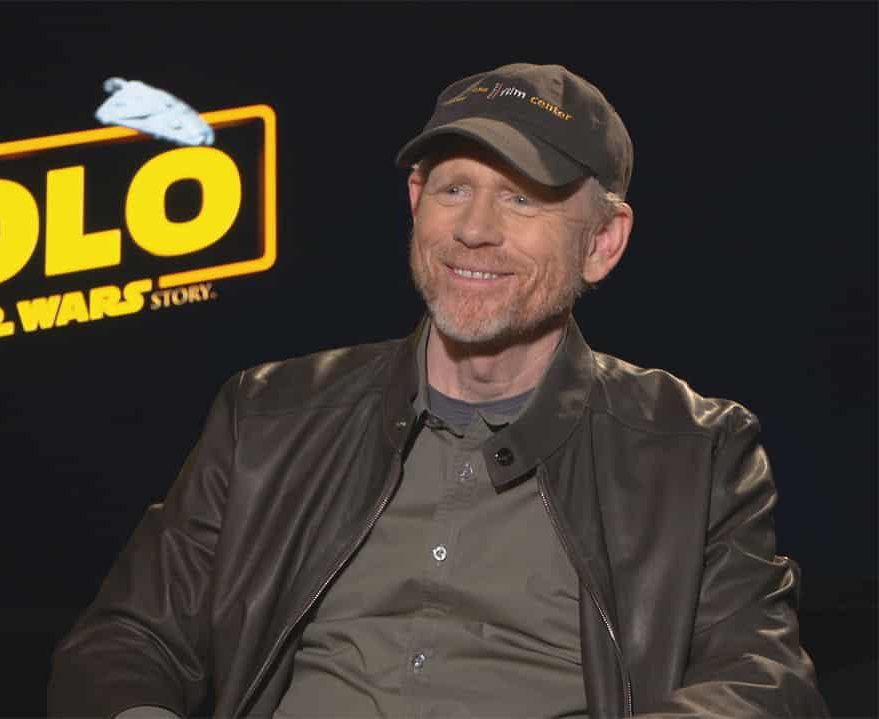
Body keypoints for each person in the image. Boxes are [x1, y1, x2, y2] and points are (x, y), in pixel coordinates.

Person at [47, 63, 828, 718]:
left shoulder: (693, 449)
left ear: (602, 242)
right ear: (415, 201)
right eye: (454, 189)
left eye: (522, 197)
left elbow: (765, 684)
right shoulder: (268, 414)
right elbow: (125, 639)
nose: (475, 229)